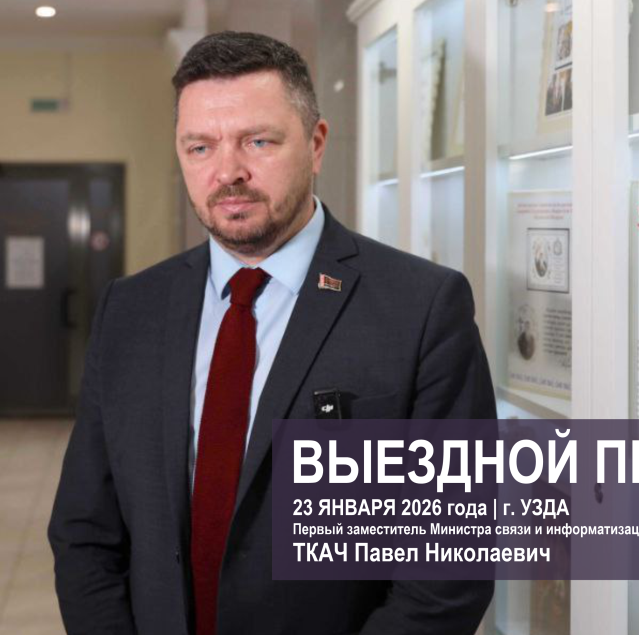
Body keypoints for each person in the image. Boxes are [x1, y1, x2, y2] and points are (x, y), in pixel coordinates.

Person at [48, 31, 496, 635]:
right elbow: (84, 530)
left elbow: (450, 567)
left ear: (316, 144)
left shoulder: (421, 308)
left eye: (258, 141)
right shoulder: (130, 310)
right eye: (200, 147)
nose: (228, 172)